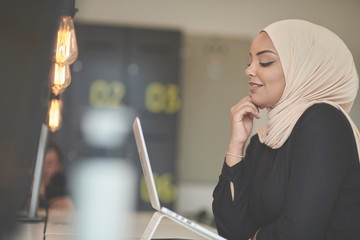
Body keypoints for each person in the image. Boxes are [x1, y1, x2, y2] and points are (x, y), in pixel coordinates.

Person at [212, 19, 360, 240]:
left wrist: (253, 237)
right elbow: (232, 230)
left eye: (265, 61)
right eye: (249, 62)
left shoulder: (323, 120)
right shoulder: (264, 140)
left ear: (304, 69)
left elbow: (299, 233)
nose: (249, 71)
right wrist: (236, 143)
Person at [39, 142, 73, 209]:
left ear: (59, 167)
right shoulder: (23, 191)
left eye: (50, 164)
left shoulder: (69, 189)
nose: (44, 170)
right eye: (40, 164)